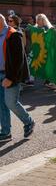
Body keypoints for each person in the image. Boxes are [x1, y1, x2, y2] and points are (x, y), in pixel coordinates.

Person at [0, 14, 35, 142]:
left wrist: (10, 77)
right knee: (1, 105)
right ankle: (5, 132)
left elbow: (18, 59)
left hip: (10, 75)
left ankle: (29, 122)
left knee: (10, 102)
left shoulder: (13, 34)